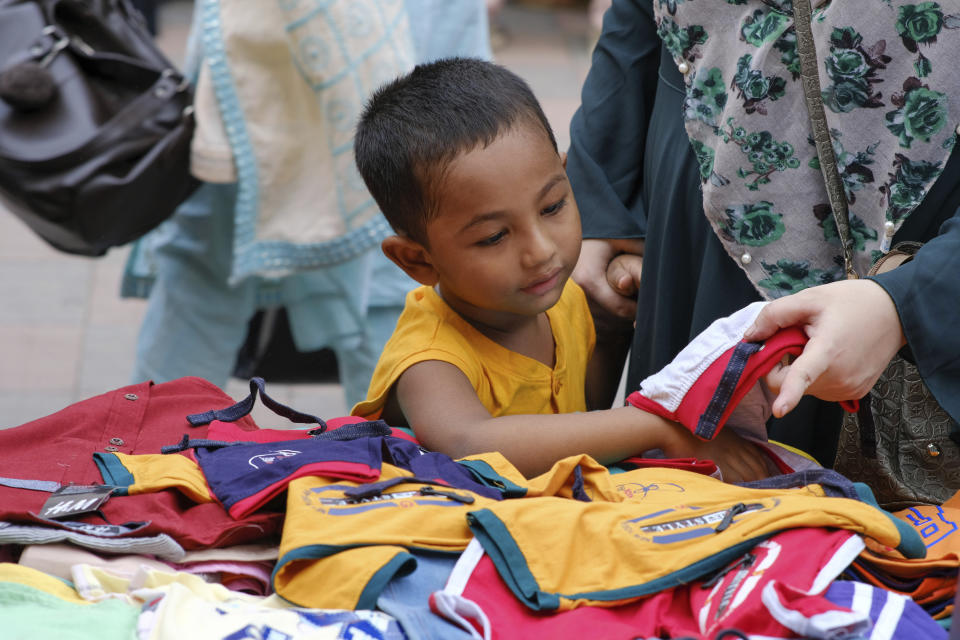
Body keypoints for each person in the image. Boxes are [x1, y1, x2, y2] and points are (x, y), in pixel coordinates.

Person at [567, 0, 960, 467]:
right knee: (675, 498)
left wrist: (908, 301)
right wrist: (597, 202)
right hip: (693, 199)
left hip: (900, 252)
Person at [349, 57, 771, 481]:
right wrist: (657, 425)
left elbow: (582, 418)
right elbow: (471, 445)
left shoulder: (561, 300)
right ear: (418, 259)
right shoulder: (429, 357)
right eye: (494, 236)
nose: (540, 250)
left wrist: (609, 329)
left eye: (552, 207)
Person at [122, 0, 494, 408]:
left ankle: (149, 454)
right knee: (395, 273)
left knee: (206, 275)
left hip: (268, 51)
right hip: (278, 50)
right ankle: (401, 458)